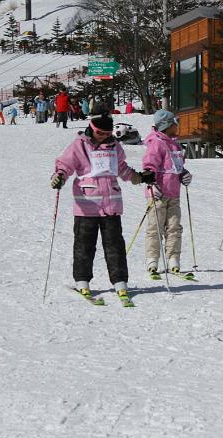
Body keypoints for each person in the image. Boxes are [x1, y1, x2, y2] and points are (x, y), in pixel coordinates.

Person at [50, 113, 155, 302]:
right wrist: (59, 177)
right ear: (92, 128)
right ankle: (82, 281)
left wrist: (139, 177)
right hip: (86, 205)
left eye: (107, 133)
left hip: (111, 205)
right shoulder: (79, 145)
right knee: (84, 246)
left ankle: (120, 282)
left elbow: (122, 169)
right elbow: (65, 165)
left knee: (115, 246)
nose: (104, 136)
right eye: (100, 133)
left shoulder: (115, 146)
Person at [142, 110, 193, 278]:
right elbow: (149, 165)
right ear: (167, 125)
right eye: (175, 123)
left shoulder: (175, 144)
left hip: (174, 193)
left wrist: (184, 174)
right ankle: (152, 260)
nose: (177, 126)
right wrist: (151, 183)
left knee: (174, 227)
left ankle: (173, 259)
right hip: (157, 194)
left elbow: (177, 166)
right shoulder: (156, 143)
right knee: (155, 227)